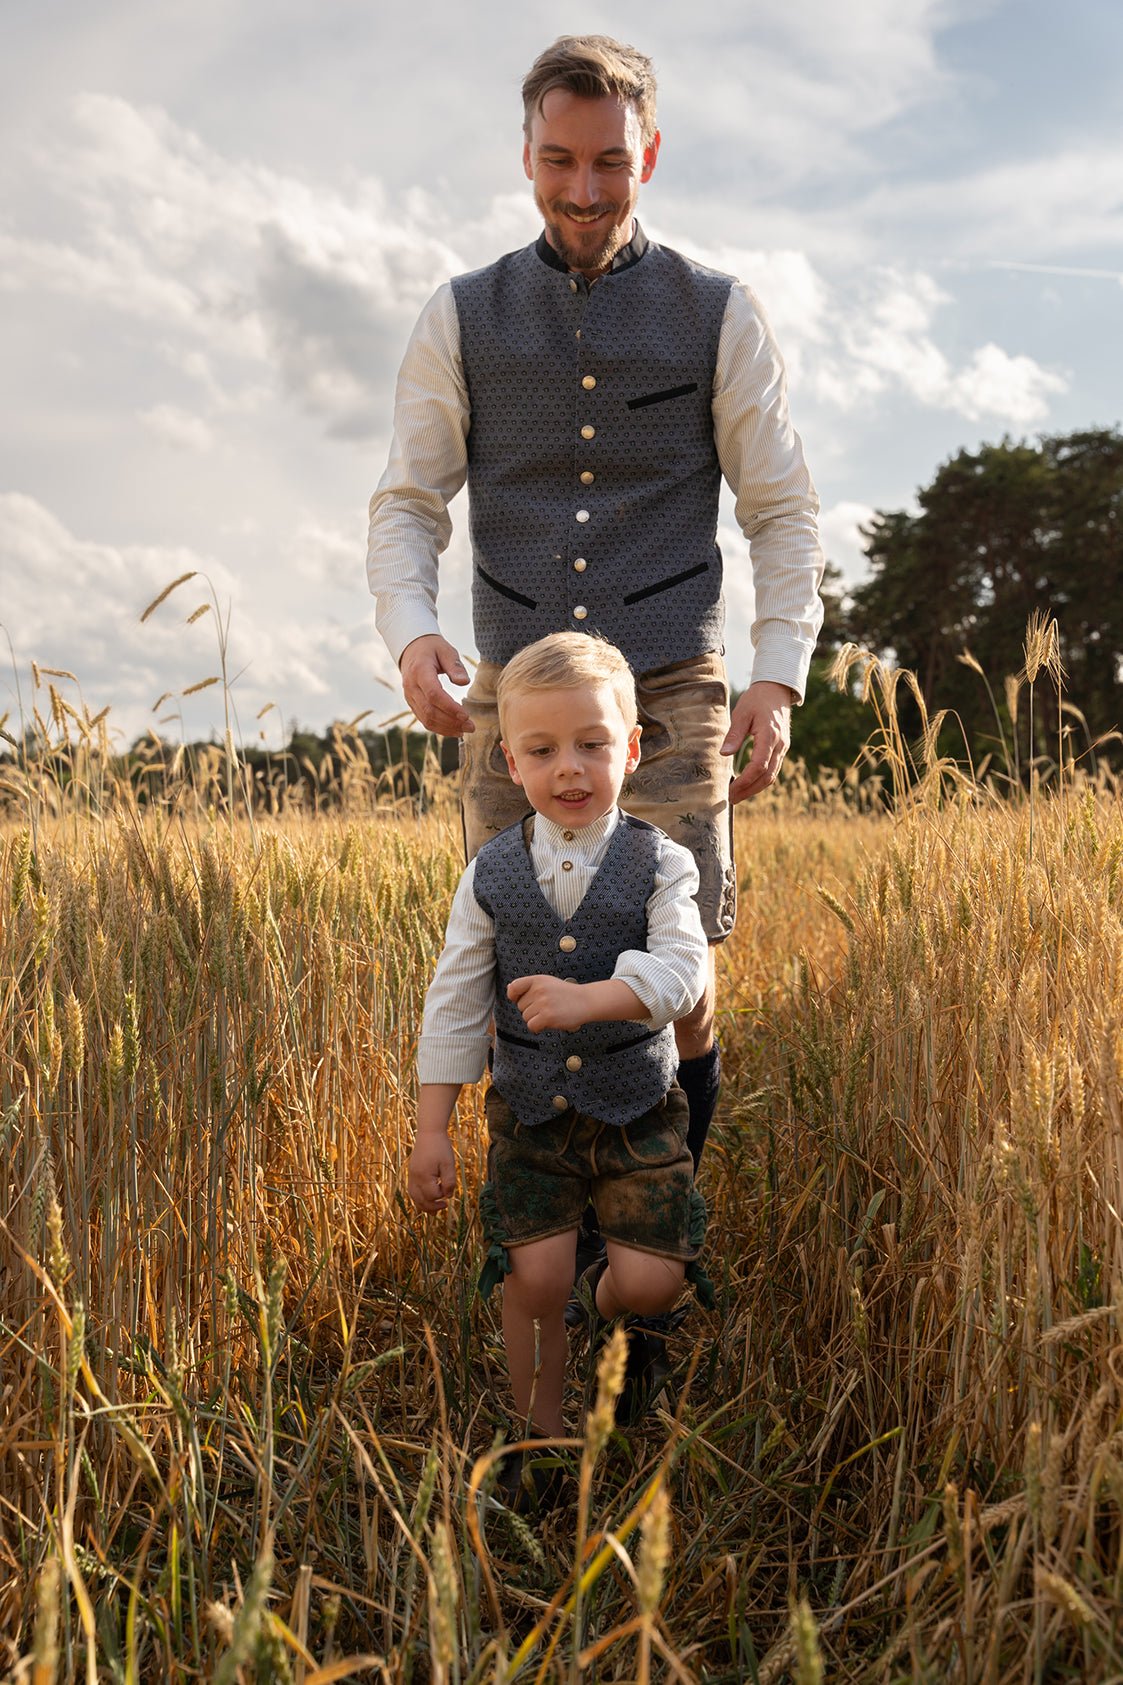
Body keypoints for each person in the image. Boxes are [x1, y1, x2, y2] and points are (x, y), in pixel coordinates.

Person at [368, 32, 825, 1175]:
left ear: (649, 156)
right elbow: (409, 500)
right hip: (516, 699)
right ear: (524, 154)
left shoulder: (719, 312)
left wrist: (775, 673)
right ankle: (552, 1241)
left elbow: (781, 510)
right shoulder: (460, 315)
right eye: (559, 160)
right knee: (518, 961)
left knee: (679, 979)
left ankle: (668, 1223)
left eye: (609, 162)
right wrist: (414, 631)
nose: (583, 189)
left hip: (670, 685)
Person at [407, 633, 710, 1493]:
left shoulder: (663, 863)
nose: (569, 768)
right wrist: (433, 1128)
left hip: (638, 1105)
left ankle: (605, 1304)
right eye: (542, 750)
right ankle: (538, 1447)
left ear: (633, 747)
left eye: (592, 744)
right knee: (533, 1276)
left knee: (651, 1280)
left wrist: (592, 997)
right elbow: (457, 997)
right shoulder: (491, 872)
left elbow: (684, 971)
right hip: (531, 1110)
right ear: (510, 759)